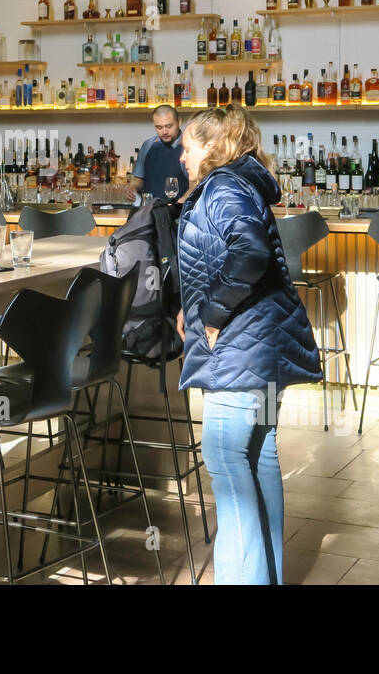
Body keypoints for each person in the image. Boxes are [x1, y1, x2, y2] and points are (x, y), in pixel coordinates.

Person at [174, 105, 321, 584]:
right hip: (264, 344)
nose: (180, 154)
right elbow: (232, 254)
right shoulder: (241, 182)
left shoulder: (221, 186)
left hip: (241, 349)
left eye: (188, 146)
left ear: (212, 148)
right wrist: (194, 304)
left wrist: (213, 313)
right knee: (259, 454)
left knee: (224, 457)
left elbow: (251, 253)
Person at [124, 104, 190, 202]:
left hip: (178, 211)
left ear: (179, 122)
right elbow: (139, 178)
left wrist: (182, 202)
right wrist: (132, 187)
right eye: (159, 127)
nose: (164, 132)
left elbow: (196, 184)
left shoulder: (189, 145)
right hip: (150, 211)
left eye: (169, 126)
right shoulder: (148, 145)